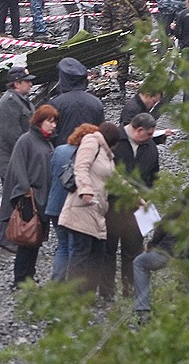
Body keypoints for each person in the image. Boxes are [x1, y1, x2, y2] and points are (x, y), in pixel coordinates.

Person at [101, 113, 160, 298]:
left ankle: (130, 291)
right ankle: (107, 292)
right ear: (139, 130)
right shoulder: (113, 141)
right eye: (149, 134)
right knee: (108, 252)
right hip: (112, 205)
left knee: (133, 252)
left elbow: (154, 176)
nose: (152, 138)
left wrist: (149, 196)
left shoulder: (150, 147)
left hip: (137, 209)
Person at [0, 104, 58, 287]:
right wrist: (25, 189)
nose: (53, 125)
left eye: (55, 121)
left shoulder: (46, 142)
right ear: (40, 121)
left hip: (42, 198)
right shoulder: (26, 140)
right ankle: (20, 279)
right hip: (29, 199)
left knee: (36, 239)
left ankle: (29, 276)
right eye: (50, 121)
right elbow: (17, 165)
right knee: (27, 239)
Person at [57, 123, 115, 292]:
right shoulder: (91, 142)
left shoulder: (107, 155)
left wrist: (137, 198)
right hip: (82, 207)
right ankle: (75, 297)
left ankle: (86, 295)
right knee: (81, 255)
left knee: (94, 255)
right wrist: (86, 190)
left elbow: (117, 180)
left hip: (96, 211)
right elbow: (81, 167)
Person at [98, 0, 151, 90]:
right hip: (119, 35)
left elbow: (146, 16)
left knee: (144, 56)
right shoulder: (111, 0)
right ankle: (122, 84)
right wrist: (106, 35)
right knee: (122, 60)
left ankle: (149, 80)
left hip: (136, 34)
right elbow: (106, 18)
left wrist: (145, 32)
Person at [48, 57, 104, 146]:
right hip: (90, 150)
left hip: (64, 152)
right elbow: (101, 131)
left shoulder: (56, 103)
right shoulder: (96, 102)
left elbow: (50, 133)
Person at [0, 67, 36, 183]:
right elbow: (10, 133)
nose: (31, 84)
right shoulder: (9, 102)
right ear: (17, 84)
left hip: (19, 159)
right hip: (11, 161)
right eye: (27, 81)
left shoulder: (21, 99)